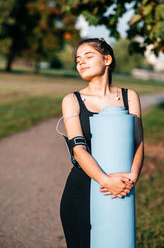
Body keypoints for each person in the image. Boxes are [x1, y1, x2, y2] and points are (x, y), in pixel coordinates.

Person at [59, 38, 144, 248]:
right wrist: (106, 181)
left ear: (107, 59)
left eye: (88, 56)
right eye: (78, 60)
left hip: (121, 186)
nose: (81, 63)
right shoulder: (71, 100)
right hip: (82, 190)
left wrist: (132, 178)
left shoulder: (129, 96)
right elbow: (78, 150)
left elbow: (139, 143)